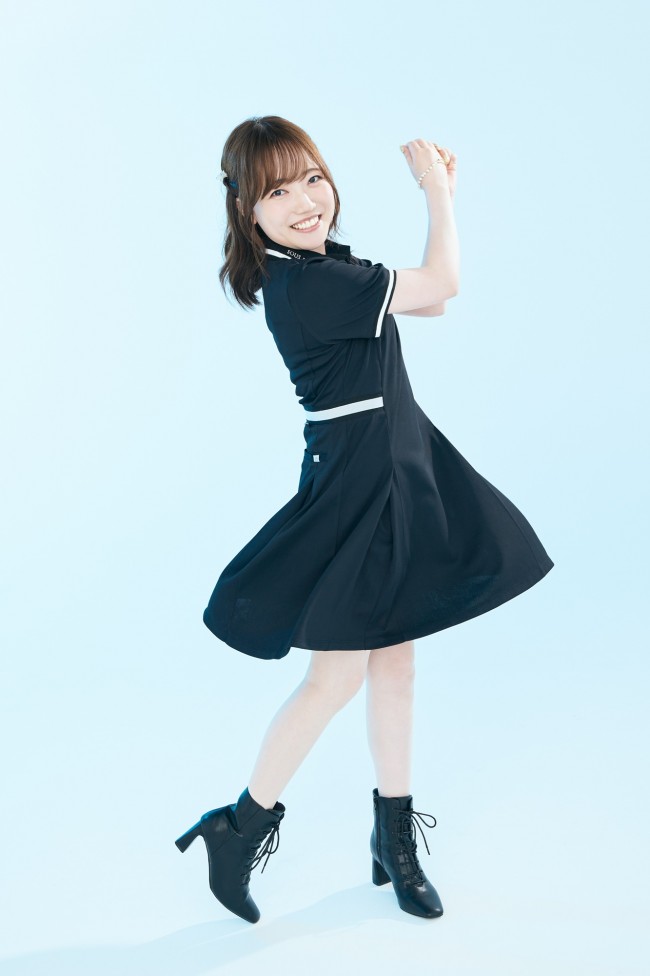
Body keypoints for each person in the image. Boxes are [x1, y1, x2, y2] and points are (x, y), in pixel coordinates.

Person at [175, 116, 554, 924]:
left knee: (396, 667)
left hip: (393, 469)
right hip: (359, 487)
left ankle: (392, 837)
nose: (306, 201)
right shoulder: (311, 285)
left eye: (312, 178)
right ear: (248, 210)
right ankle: (237, 828)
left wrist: (442, 201)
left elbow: (429, 303)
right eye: (279, 191)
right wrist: (436, 192)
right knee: (335, 677)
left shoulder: (324, 270)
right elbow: (445, 282)